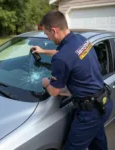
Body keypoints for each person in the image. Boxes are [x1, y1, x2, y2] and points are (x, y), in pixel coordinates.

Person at [31, 10, 113, 150]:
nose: (48, 38)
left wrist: (46, 83)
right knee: (97, 142)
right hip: (104, 104)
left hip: (89, 114)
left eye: (47, 34)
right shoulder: (80, 40)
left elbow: (54, 91)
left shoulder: (61, 58)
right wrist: (43, 51)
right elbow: (66, 54)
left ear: (54, 30)